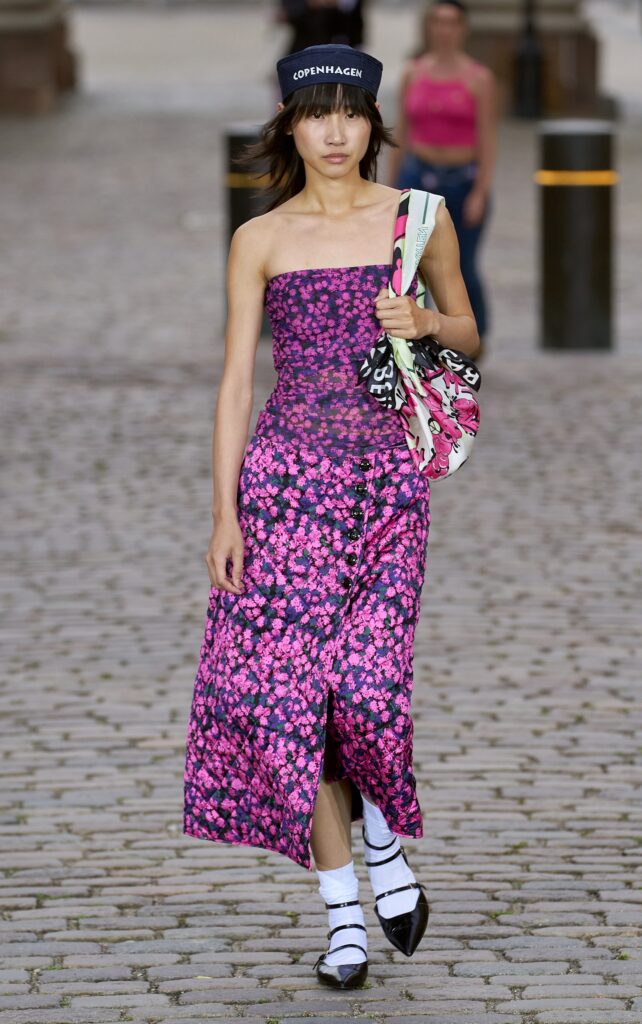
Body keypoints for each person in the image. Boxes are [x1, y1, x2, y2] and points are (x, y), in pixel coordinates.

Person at [182, 43, 479, 990]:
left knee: (366, 687)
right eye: (318, 114)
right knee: (289, 704)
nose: (336, 131)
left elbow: (468, 332)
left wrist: (426, 325)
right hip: (282, 492)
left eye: (351, 113)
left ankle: (384, 845)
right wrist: (223, 511)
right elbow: (236, 383)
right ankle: (343, 914)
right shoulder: (259, 239)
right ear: (291, 125)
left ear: (373, 123)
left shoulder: (415, 220)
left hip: (387, 487)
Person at [388, 0, 497, 357]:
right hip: (418, 173)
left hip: (461, 180)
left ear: (462, 28)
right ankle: (420, 334)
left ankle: (471, 336)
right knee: (413, 265)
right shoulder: (412, 73)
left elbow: (487, 139)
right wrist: (390, 190)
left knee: (462, 264)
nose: (443, 29)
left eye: (451, 22)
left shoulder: (478, 78)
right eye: (436, 21)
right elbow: (400, 133)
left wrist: (481, 191)